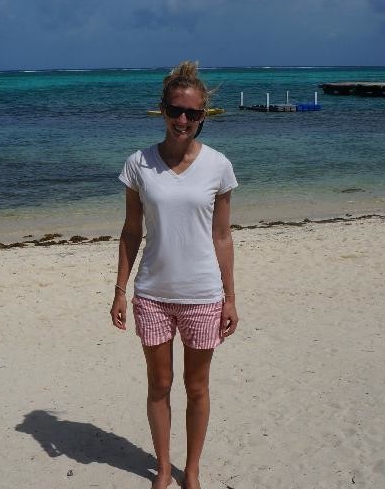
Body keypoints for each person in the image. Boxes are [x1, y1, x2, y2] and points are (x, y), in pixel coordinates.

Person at [111, 61, 238, 489]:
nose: (183, 120)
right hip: (152, 294)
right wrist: (119, 290)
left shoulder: (218, 165)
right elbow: (131, 231)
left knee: (197, 387)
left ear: (204, 116)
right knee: (159, 384)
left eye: (193, 113)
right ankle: (163, 469)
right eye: (175, 110)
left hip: (203, 294)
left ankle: (192, 471)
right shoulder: (138, 164)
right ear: (162, 110)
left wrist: (231, 298)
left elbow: (222, 236)